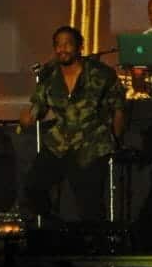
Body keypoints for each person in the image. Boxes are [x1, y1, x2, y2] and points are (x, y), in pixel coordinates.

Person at [19, 26, 126, 222]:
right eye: (58, 45)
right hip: (59, 143)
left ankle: (95, 247)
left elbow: (118, 108)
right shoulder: (49, 75)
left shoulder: (101, 74)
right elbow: (38, 107)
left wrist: (115, 141)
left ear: (79, 47)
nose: (63, 49)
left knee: (90, 206)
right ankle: (54, 227)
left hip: (91, 145)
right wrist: (28, 117)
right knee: (32, 188)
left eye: (68, 44)